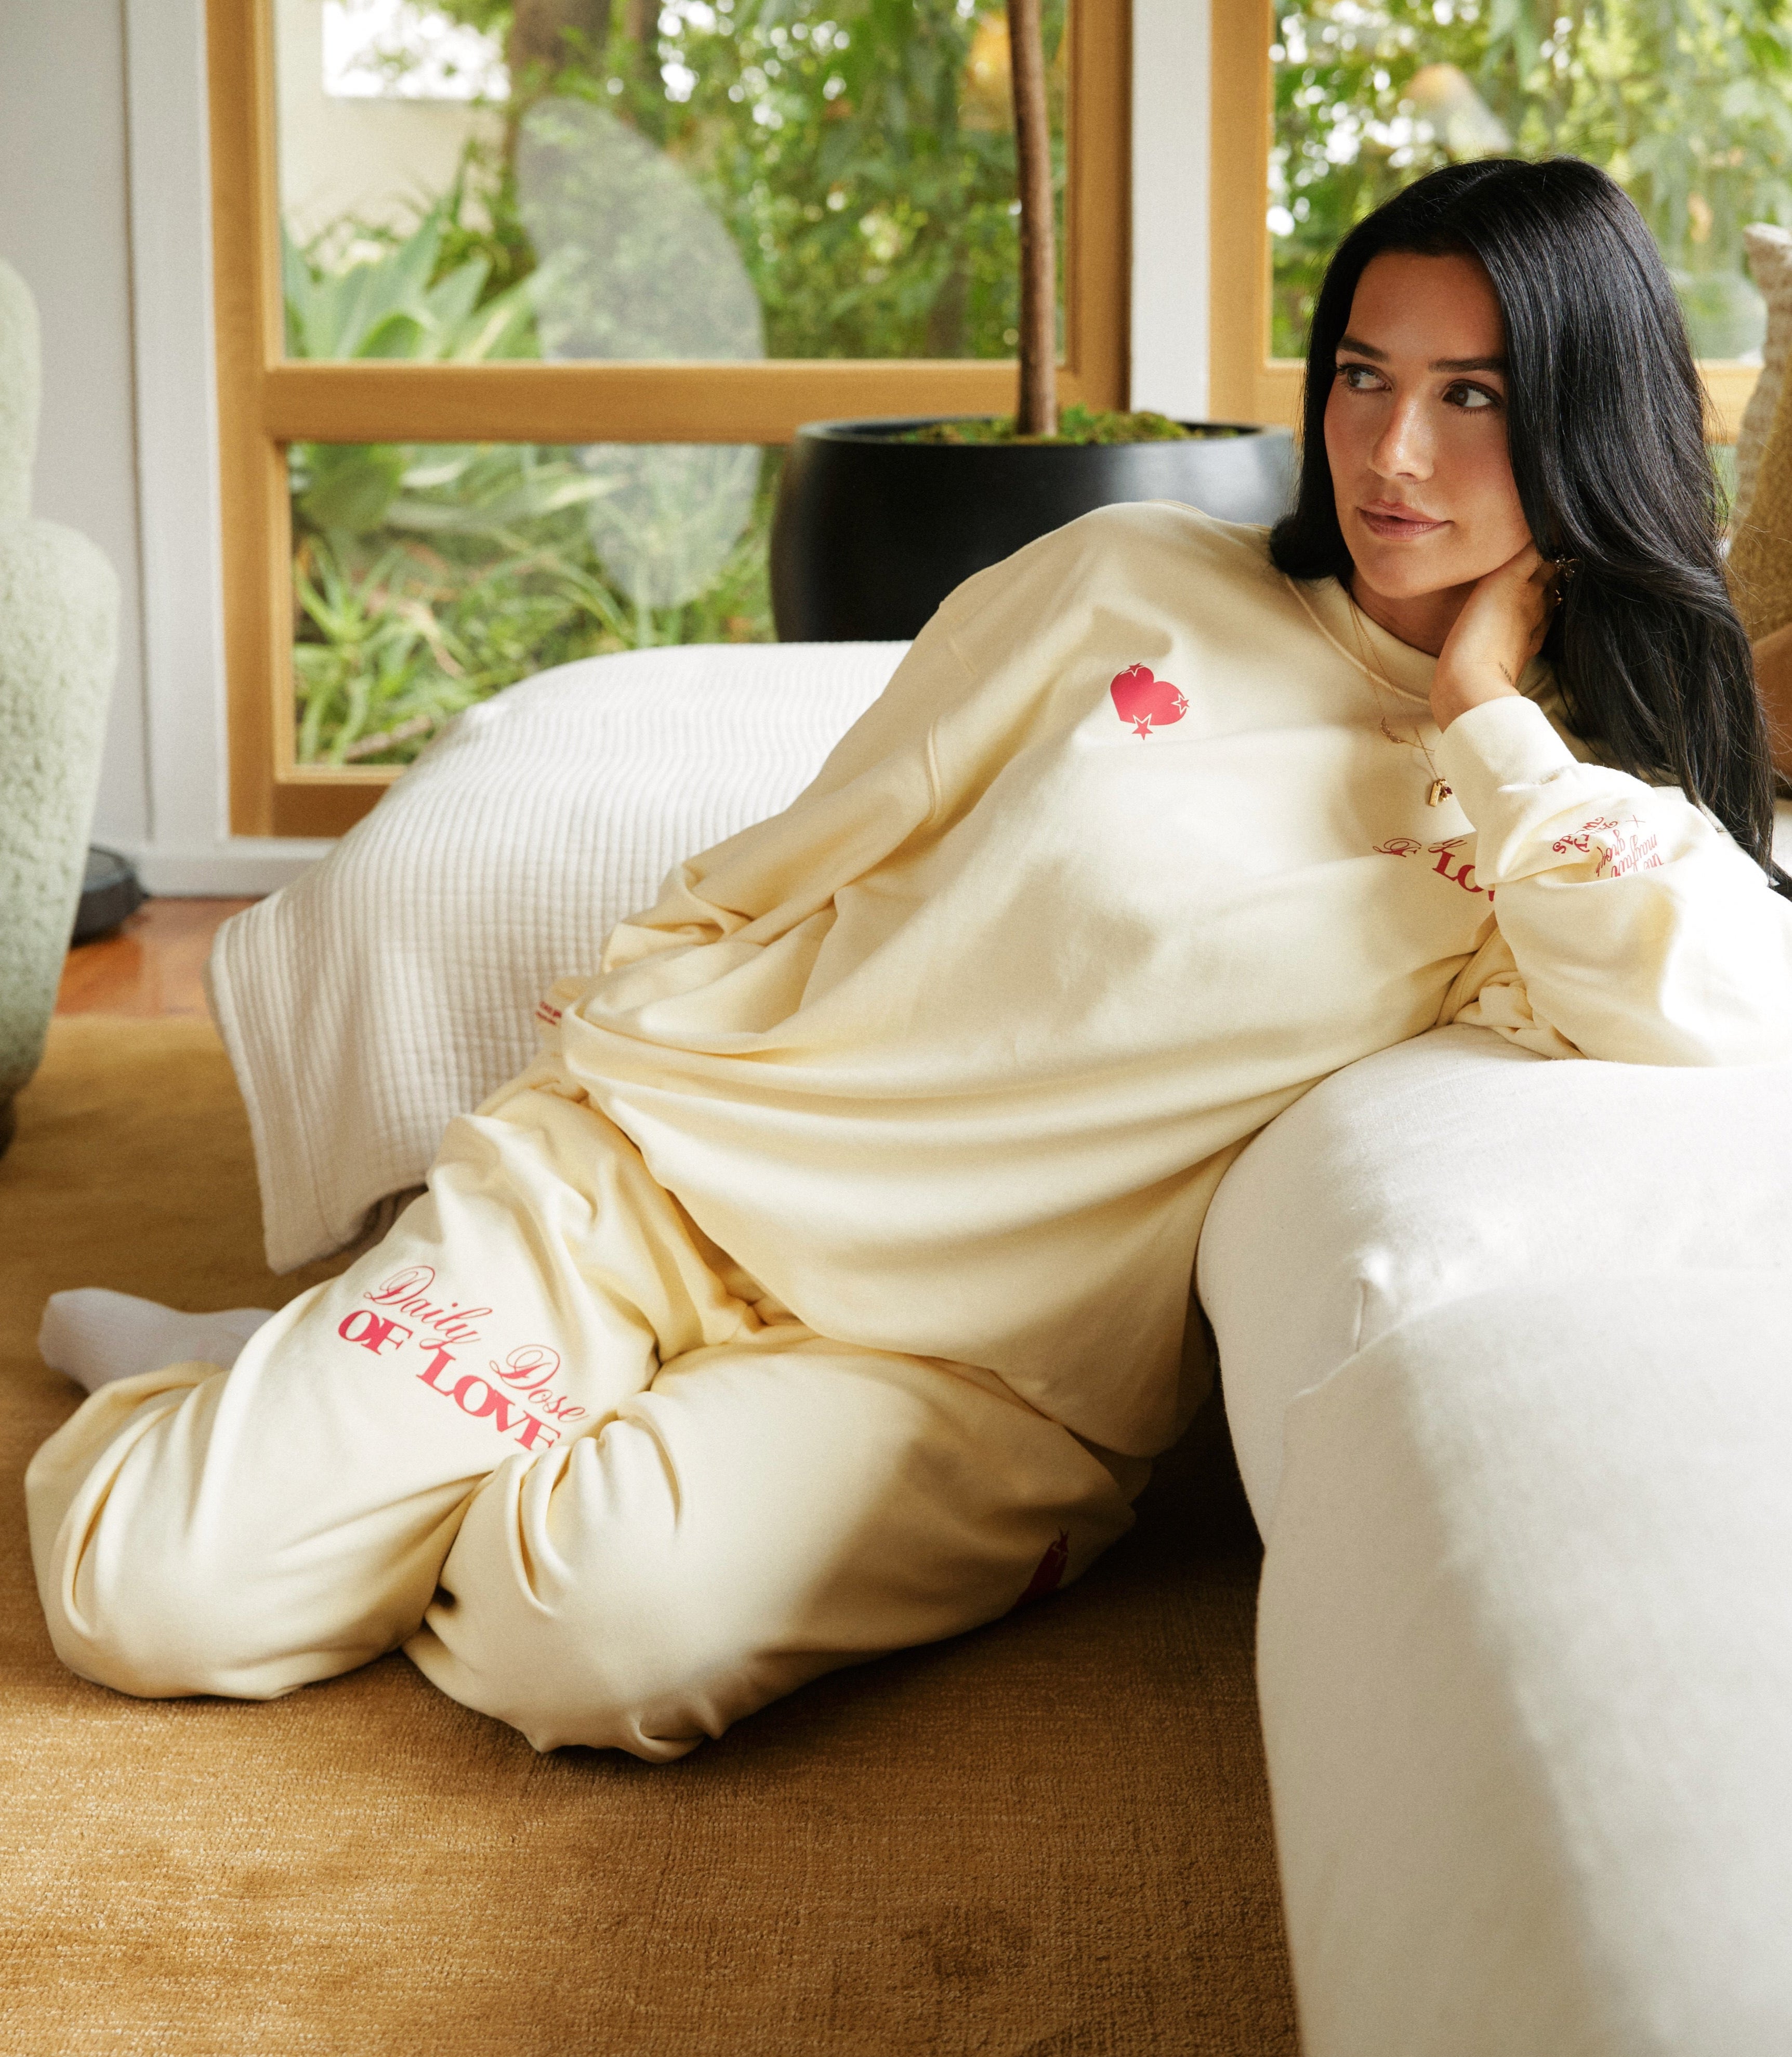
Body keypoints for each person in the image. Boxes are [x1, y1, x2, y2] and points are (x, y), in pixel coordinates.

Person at [29, 156, 1792, 1762]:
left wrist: (1485, 715)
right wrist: (634, 1020)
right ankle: (276, 1397)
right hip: (656, 1185)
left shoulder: (1559, 805)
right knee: (139, 1596)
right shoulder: (1131, 575)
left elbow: (1722, 997)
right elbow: (830, 828)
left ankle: (348, 1409)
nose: (1393, 453)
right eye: (1363, 376)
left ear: (1579, 415)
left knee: (584, 1639)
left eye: (1472, 397)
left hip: (969, 1377)